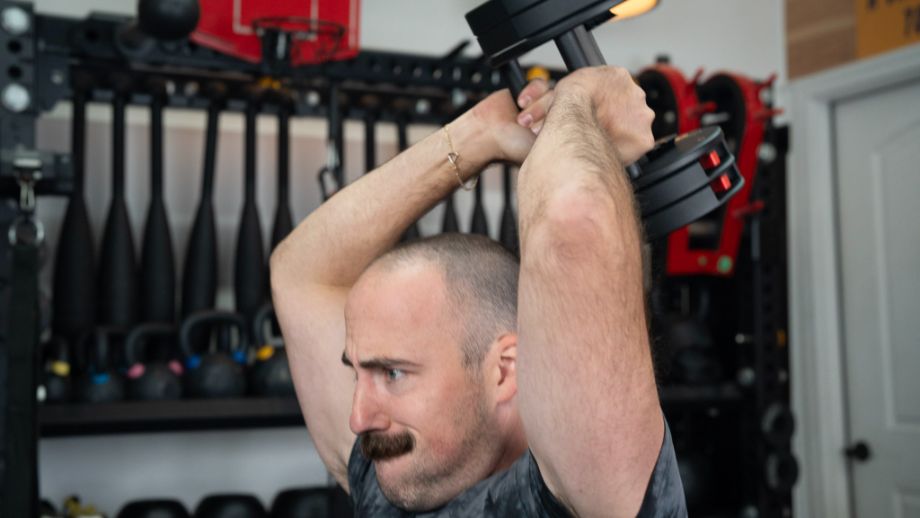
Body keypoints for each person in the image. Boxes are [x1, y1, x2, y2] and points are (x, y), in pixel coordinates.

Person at [270, 66, 687, 517]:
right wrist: (477, 137)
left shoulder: (584, 496)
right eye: (359, 373)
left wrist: (581, 98)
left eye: (392, 374)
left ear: (506, 371)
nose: (358, 418)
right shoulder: (389, 477)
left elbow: (574, 222)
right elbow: (301, 273)